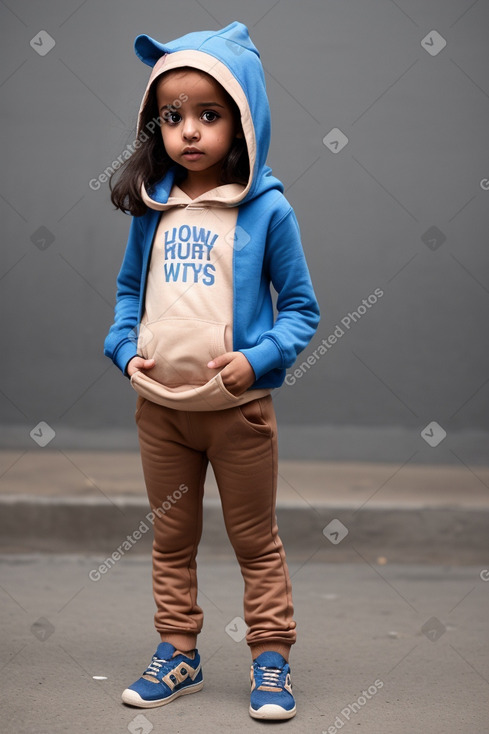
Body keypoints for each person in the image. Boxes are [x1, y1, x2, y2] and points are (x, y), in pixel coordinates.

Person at [104, 20, 320, 721]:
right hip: (160, 410)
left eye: (209, 115)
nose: (189, 131)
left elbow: (301, 312)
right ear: (153, 126)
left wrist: (255, 360)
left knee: (254, 541)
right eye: (172, 117)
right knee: (171, 540)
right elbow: (131, 292)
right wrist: (120, 343)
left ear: (244, 121)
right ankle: (179, 652)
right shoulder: (154, 208)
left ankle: (270, 659)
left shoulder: (268, 210)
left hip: (237, 415)